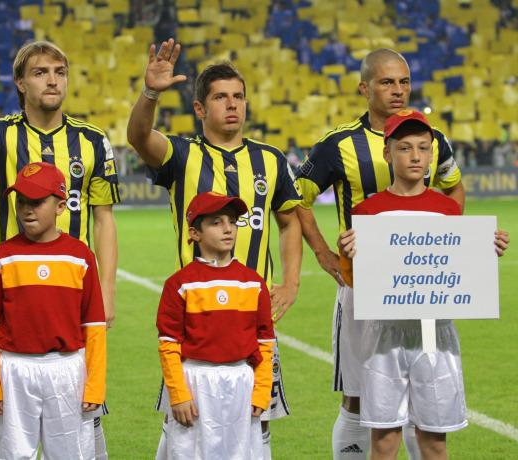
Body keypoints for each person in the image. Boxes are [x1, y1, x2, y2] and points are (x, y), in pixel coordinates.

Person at [127, 38, 302, 460]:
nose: (232, 104)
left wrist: (291, 282)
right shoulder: (182, 154)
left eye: (238, 96)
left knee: (256, 423)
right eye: (221, 97)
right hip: (196, 316)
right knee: (186, 419)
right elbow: (138, 137)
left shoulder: (270, 159)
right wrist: (150, 93)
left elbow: (289, 221)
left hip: (251, 318)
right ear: (200, 109)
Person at [0, 41, 118, 458]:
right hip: (16, 292)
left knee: (81, 422)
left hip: (73, 295)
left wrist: (107, 292)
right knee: (8, 427)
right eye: (40, 72)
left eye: (60, 71)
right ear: (20, 83)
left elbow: (104, 219)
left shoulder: (92, 140)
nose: (52, 80)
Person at [295, 49, 465, 459]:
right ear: (364, 87)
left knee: (425, 400)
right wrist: (323, 253)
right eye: (387, 82)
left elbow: (454, 188)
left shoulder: (433, 139)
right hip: (362, 289)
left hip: (421, 291)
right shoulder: (338, 144)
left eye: (404, 81)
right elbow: (297, 199)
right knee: (359, 397)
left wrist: (454, 243)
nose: (398, 90)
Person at [336, 110, 510, 460]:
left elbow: (456, 270)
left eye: (423, 148)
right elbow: (358, 283)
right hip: (384, 335)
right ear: (387, 154)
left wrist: (486, 250)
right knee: (384, 440)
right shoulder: (368, 211)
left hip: (435, 334)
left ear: (432, 154)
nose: (415, 156)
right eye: (404, 148)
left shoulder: (447, 209)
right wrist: (346, 255)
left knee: (433, 441)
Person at [0, 162, 107, 459]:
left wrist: (94, 385)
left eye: (36, 202)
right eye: (21, 201)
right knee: (12, 454)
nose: (27, 210)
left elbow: (94, 328)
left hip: (67, 370)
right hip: (14, 369)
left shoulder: (80, 256)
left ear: (61, 206)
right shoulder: (1, 257)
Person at [157, 191, 275, 459]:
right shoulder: (179, 284)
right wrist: (179, 394)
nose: (228, 228)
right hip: (195, 382)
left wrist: (261, 391)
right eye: (216, 222)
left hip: (242, 382)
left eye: (232, 221)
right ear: (194, 233)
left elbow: (265, 343)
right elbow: (168, 345)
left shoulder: (253, 283)